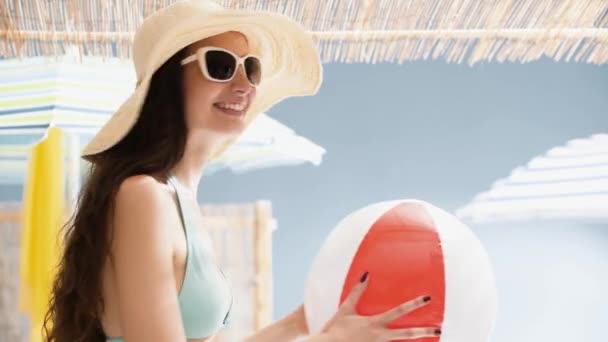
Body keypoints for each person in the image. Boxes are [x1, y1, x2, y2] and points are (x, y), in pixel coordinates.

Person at [43, 1, 441, 341]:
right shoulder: (142, 195)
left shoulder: (179, 200)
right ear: (168, 81)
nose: (244, 84)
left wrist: (300, 323)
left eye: (251, 69)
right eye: (219, 65)